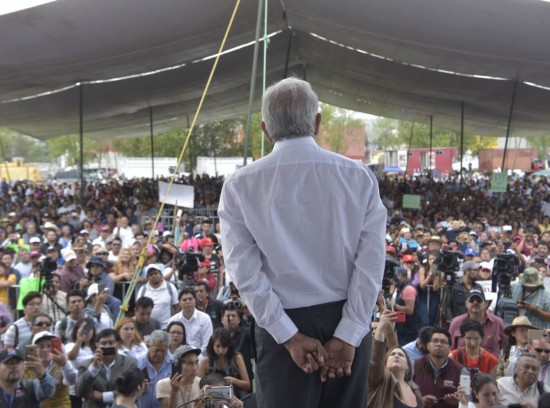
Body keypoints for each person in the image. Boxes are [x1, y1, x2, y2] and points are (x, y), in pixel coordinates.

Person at [218, 77, 386, 407]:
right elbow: (371, 266)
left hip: (280, 323)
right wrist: (349, 332)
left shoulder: (240, 185)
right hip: (346, 314)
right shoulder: (358, 175)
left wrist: (289, 336)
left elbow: (245, 275)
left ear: (266, 130)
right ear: (317, 123)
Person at [367, 309, 423, 408]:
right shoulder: (379, 380)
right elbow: (376, 360)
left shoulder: (415, 389)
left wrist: (388, 329)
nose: (396, 355)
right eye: (392, 355)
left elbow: (394, 345)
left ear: (408, 367)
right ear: (384, 364)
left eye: (401, 355)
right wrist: (380, 329)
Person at [74, 328, 138, 408]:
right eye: (103, 343)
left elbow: (132, 390)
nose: (107, 346)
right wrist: (93, 367)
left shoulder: (130, 363)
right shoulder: (86, 365)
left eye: (111, 343)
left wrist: (104, 396)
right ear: (97, 345)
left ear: (118, 344)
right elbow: (80, 392)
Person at [414, 328, 465, 408]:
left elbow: (468, 402)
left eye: (443, 342)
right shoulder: (415, 365)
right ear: (428, 345)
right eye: (435, 341)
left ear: (450, 348)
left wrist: (458, 403)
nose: (439, 344)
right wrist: (420, 402)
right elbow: (404, 395)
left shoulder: (461, 370)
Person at [448, 288, 506, 357]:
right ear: (466, 303)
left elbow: (505, 346)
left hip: (491, 366)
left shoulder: (498, 323)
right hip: (462, 366)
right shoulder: (456, 322)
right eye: (471, 300)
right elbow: (450, 347)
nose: (475, 302)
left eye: (479, 300)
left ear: (486, 303)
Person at [26, 331, 78, 408]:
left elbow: (72, 380)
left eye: (49, 346)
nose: (45, 350)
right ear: (34, 348)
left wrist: (65, 364)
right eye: (41, 346)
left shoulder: (61, 364)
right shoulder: (27, 366)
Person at [198, 328, 250, 398]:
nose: (221, 351)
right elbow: (198, 386)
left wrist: (234, 381)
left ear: (229, 346)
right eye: (218, 346)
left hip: (235, 397)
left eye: (224, 347)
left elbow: (247, 385)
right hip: (212, 398)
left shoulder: (236, 358)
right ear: (212, 345)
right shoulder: (205, 361)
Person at [168, 289, 213, 356]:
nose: (188, 302)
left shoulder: (205, 318)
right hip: (178, 357)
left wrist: (197, 357)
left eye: (190, 299)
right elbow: (170, 344)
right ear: (179, 303)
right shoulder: (173, 320)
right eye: (184, 300)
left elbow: (207, 344)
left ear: (195, 300)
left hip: (200, 357)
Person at [65, 318, 96, 408]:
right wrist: (79, 340)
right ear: (76, 331)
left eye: (89, 328)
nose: (86, 331)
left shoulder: (97, 348)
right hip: (75, 391)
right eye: (83, 328)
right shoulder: (70, 345)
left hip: (92, 391)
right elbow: (71, 357)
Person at [136, 264, 179, 329]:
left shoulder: (170, 287)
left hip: (166, 327)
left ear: (161, 275)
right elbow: (138, 309)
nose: (154, 276)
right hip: (148, 327)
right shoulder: (142, 290)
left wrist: (173, 323)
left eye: (156, 273)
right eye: (151, 275)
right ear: (147, 278)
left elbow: (177, 307)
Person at [137, 330, 172, 408]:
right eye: (156, 350)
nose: (159, 354)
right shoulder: (138, 363)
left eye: (163, 351)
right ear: (149, 346)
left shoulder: (173, 364)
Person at [394, 266, 421, 346]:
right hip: (403, 329)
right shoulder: (402, 287)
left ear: (399, 275)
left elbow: (409, 310)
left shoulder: (408, 288)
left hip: (409, 331)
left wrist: (394, 306)